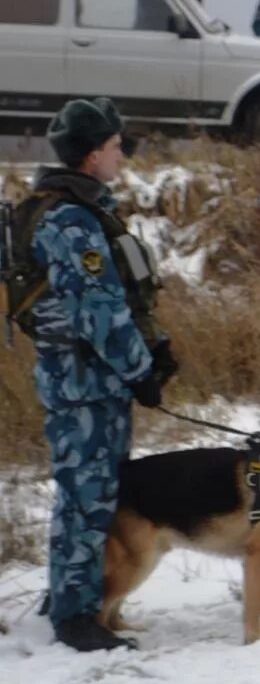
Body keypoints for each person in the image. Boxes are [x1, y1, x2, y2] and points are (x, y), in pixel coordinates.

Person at [15, 99, 175, 651]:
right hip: (83, 384)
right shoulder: (70, 221)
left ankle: (70, 594)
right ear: (90, 155)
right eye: (114, 146)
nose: (121, 155)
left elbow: (121, 303)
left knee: (95, 494)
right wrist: (140, 371)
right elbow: (100, 314)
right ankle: (75, 616)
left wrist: (155, 352)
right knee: (86, 498)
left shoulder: (85, 211)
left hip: (93, 381)